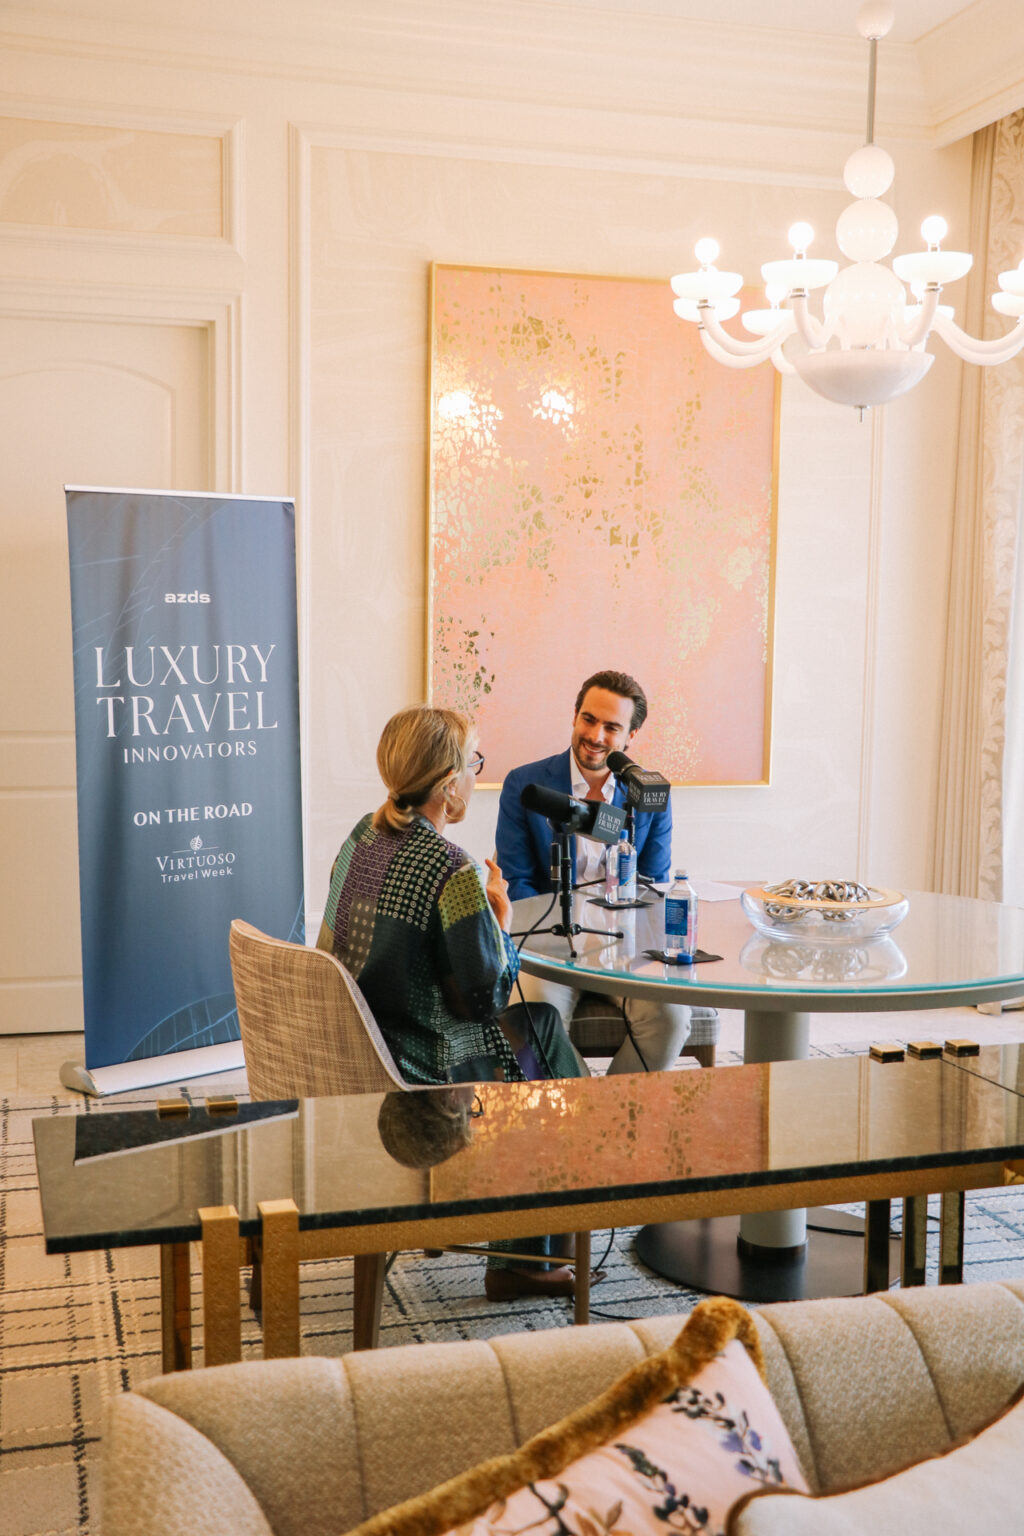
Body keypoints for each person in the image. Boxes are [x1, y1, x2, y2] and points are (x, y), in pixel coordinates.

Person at [319, 703, 587, 1299]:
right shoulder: (450, 869)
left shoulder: (362, 835)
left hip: (363, 1044)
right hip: (420, 1063)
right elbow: (484, 996)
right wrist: (498, 919)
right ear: (448, 786)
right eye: (473, 764)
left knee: (540, 1025)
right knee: (542, 1039)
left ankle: (536, 1240)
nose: (476, 775)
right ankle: (530, 1250)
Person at [496, 668, 692, 1074]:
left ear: (629, 737)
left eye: (611, 727)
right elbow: (518, 883)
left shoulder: (649, 793)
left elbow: (654, 884)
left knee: (671, 1017)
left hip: (627, 950)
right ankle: (581, 1113)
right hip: (551, 949)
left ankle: (618, 1116)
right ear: (574, 715)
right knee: (532, 1018)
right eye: (589, 719)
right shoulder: (525, 784)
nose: (596, 736)